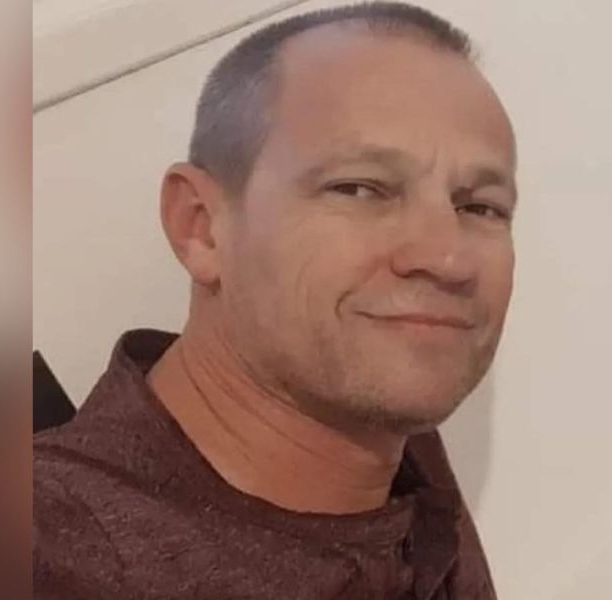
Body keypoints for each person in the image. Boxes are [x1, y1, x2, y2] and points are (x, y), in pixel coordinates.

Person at [34, 2, 517, 598]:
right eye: (359, 188)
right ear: (201, 227)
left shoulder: (393, 438)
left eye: (479, 207)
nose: (448, 258)